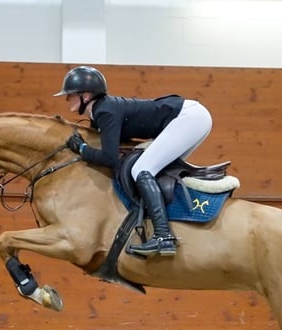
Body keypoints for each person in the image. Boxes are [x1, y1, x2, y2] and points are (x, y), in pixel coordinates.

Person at [54, 65, 213, 257]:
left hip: (188, 118)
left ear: (85, 96)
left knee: (141, 170)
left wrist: (82, 149)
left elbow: (109, 158)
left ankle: (164, 236)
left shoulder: (105, 111)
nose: (66, 98)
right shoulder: (100, 112)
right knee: (153, 169)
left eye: (70, 94)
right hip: (192, 116)